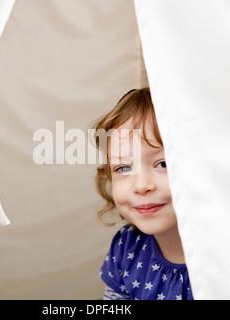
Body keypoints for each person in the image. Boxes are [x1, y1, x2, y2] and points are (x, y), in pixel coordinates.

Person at [90, 87, 193, 300]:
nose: (142, 185)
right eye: (123, 168)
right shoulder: (127, 247)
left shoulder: (226, 254)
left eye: (163, 163)